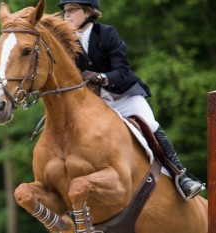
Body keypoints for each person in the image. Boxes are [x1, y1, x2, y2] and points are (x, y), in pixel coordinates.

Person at [57, 0, 205, 200]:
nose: (67, 15)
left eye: (72, 10)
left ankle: (181, 176)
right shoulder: (68, 44)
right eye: (65, 11)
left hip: (124, 96)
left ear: (88, 12)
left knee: (150, 125)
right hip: (97, 103)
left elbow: (122, 71)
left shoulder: (107, 33)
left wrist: (101, 77)